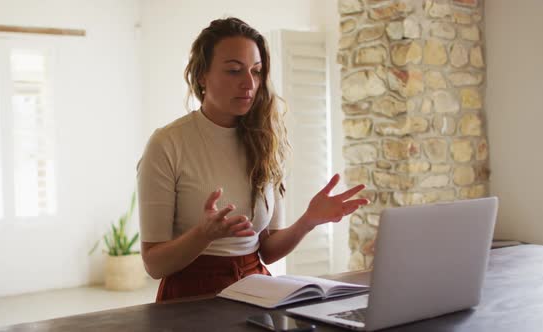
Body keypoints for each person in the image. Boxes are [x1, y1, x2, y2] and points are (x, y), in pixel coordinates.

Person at [137, 17, 369, 302]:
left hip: (255, 288)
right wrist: (203, 234)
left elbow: (267, 250)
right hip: (191, 295)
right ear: (201, 76)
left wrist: (309, 220)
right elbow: (154, 264)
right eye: (234, 70)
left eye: (257, 72)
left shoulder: (265, 140)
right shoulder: (167, 144)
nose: (249, 83)